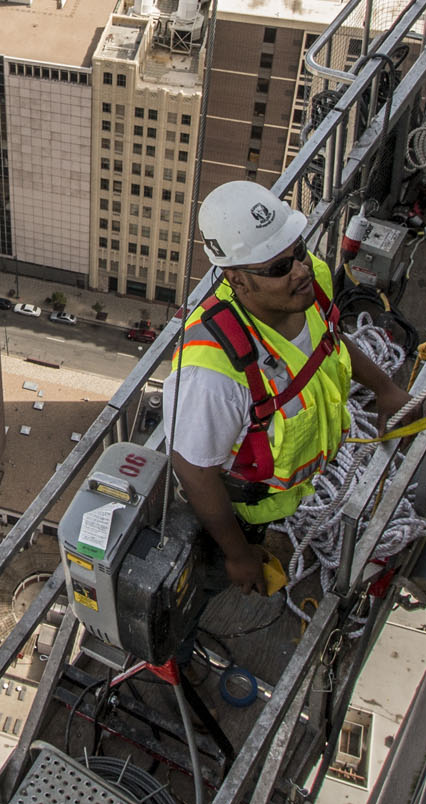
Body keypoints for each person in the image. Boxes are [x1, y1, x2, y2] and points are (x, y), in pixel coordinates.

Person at [168, 182, 412, 593]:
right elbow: (194, 472)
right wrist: (239, 554)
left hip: (312, 475)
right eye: (278, 268)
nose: (299, 269)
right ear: (237, 279)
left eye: (297, 251)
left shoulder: (310, 281)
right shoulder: (212, 370)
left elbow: (330, 338)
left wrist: (385, 388)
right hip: (255, 511)